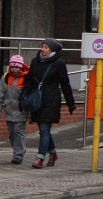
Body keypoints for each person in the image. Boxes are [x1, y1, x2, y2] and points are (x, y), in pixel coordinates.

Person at [22, 38, 76, 169]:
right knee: (43, 129)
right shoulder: (36, 61)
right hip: (37, 100)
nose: (43, 49)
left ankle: (40, 157)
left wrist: (70, 103)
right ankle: (53, 153)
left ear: (52, 49)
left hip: (51, 100)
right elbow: (29, 80)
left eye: (46, 47)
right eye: (42, 46)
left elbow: (65, 84)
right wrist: (22, 97)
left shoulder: (59, 63)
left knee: (45, 129)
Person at [0, 54, 29, 164]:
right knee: (12, 133)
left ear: (21, 66)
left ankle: (18, 154)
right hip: (9, 110)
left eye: (16, 67)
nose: (14, 69)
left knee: (18, 131)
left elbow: (30, 96)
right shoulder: (6, 77)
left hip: (21, 110)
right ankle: (19, 149)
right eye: (12, 66)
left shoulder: (26, 78)